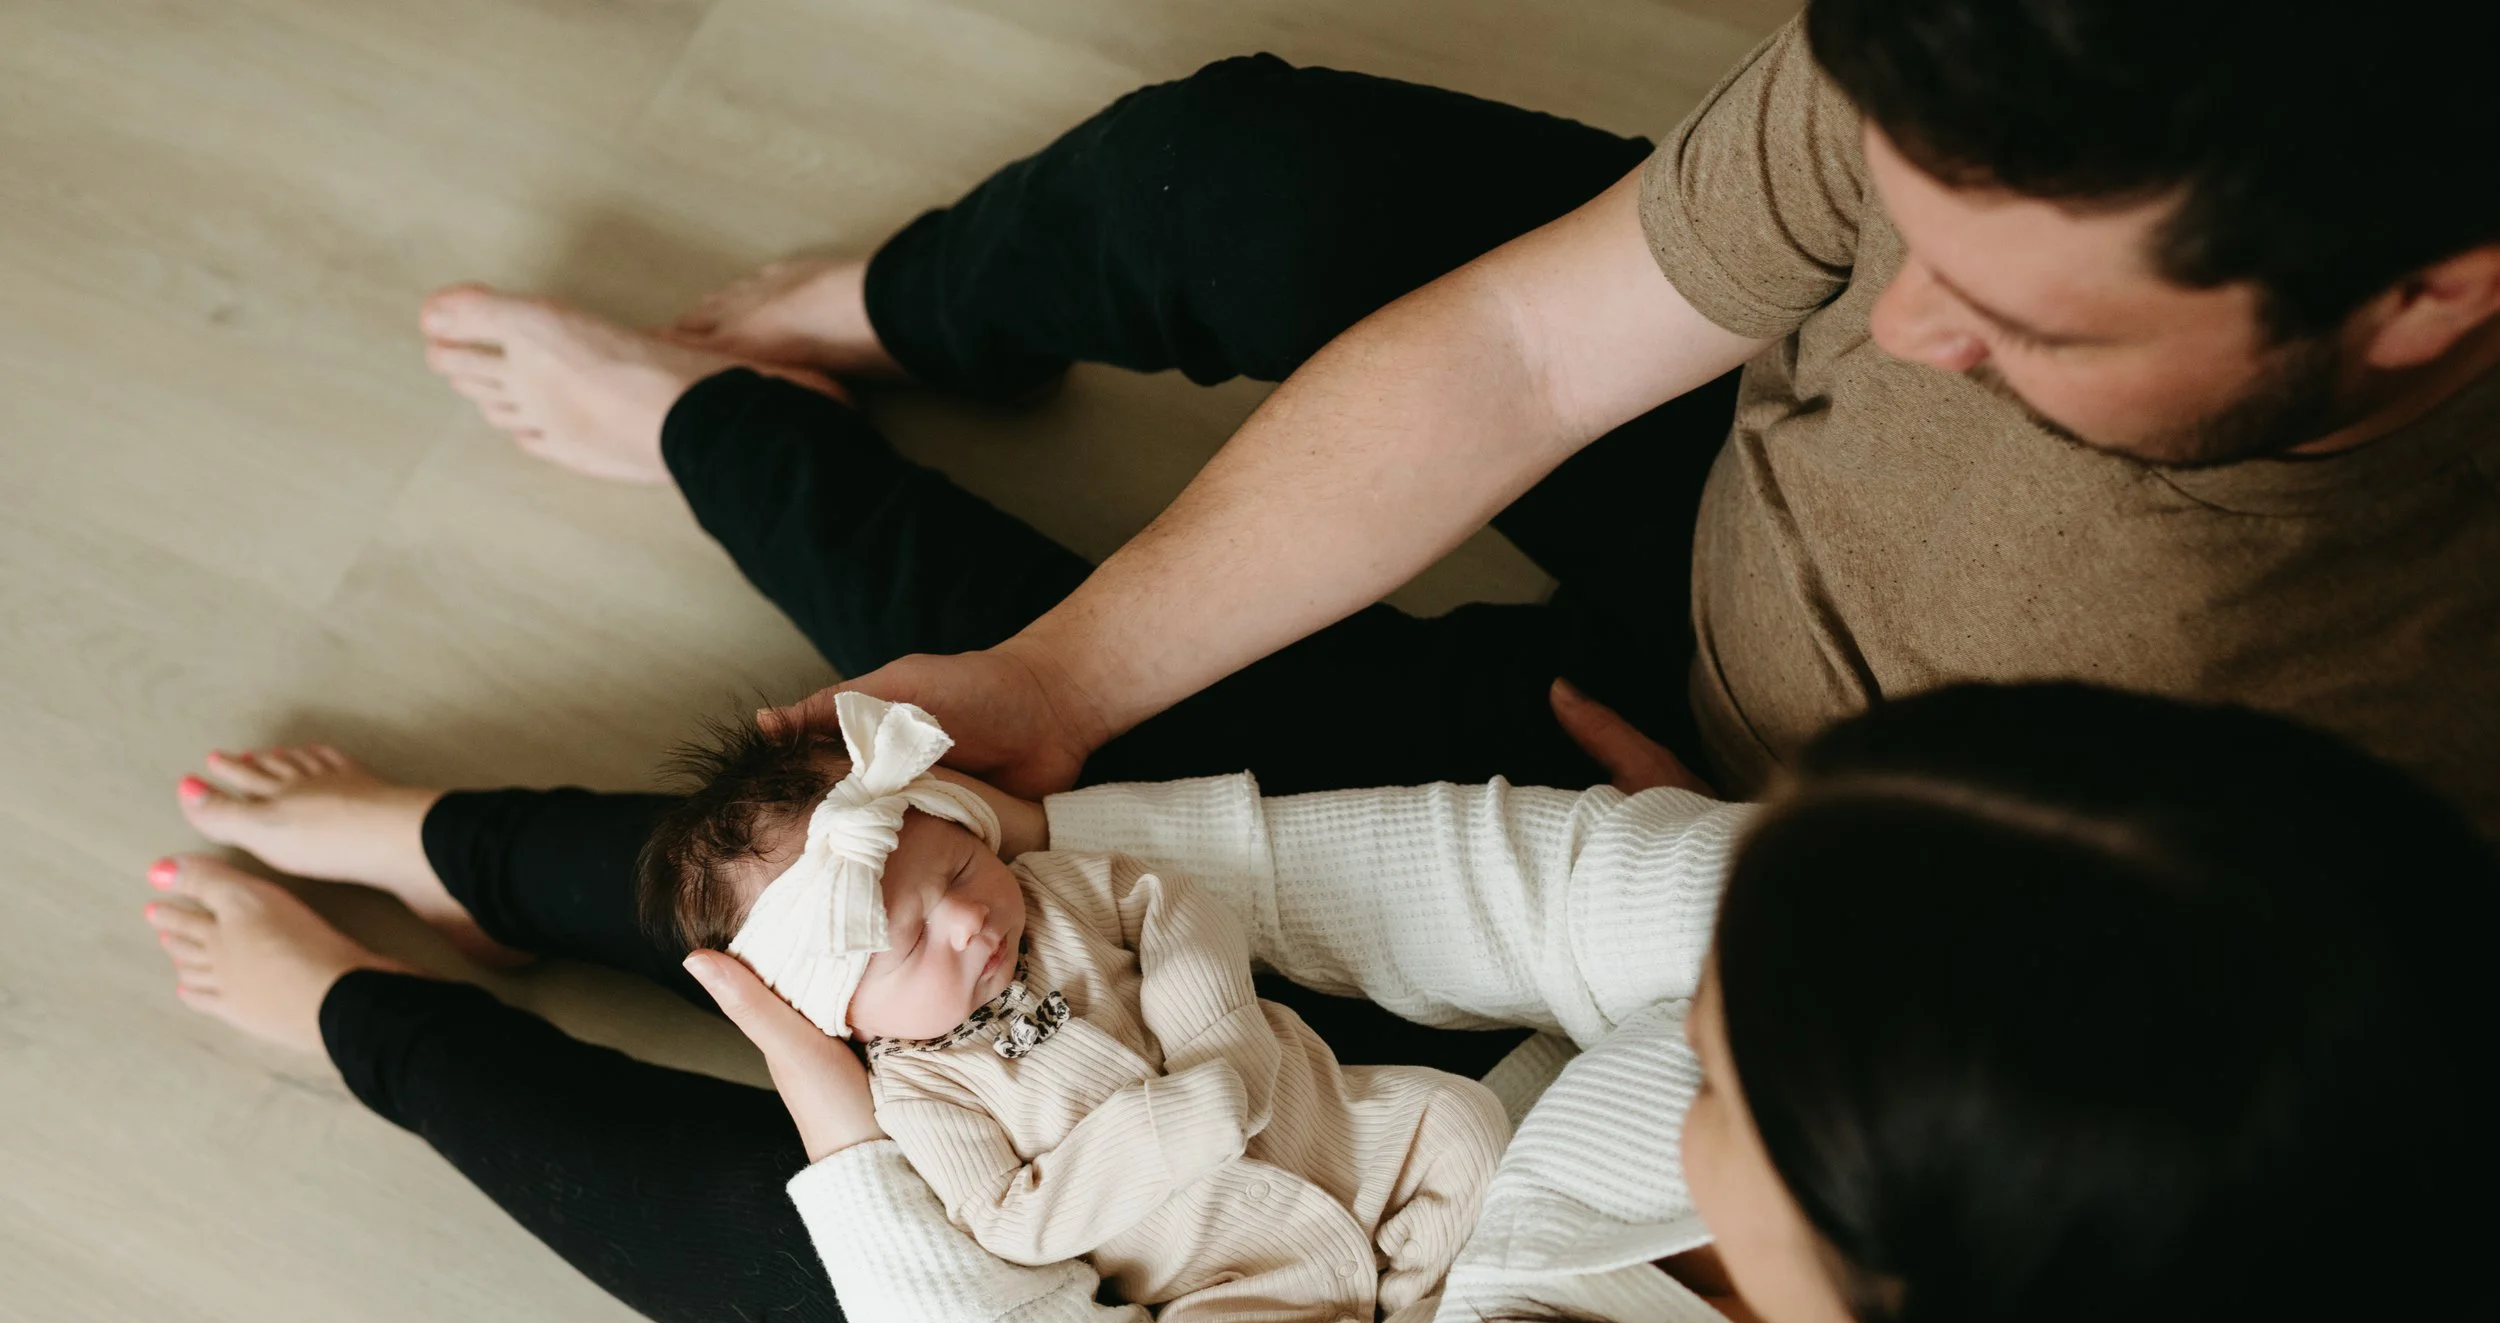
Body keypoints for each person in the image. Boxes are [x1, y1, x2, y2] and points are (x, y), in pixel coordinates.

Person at [144, 682, 2500, 1323]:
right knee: (831, 881)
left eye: (1722, 1067)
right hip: (1329, 1157)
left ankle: (378, 1027)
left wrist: (866, 1160)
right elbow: (1566, 894)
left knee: (790, 1256)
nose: (1678, 1032)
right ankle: (468, 848)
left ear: (1902, 1304)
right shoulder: (2192, 1056)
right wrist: (1017, 873)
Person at [436, 0, 2500, 825]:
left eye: (2019, 331)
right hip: (1709, 502)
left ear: (2426, 297)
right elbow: (1521, 355)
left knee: (1093, 831)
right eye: (1894, 230)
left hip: (1735, 812)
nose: (1890, 332)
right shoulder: (2020, 55)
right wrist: (1068, 670)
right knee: (1242, 176)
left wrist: (1758, 905)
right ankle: (902, 304)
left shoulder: (2413, 702)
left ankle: (725, 436)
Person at [638, 694, 1509, 1323]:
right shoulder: (921, 1092)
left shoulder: (1061, 898)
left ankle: (1428, 1314)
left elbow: (1171, 903)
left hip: (1347, 1137)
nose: (968, 920)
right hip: (1236, 1284)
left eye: (961, 867)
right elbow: (1007, 1215)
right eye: (911, 940)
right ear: (840, 1015)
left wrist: (1215, 1040)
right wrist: (1161, 1129)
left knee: (1461, 1118)